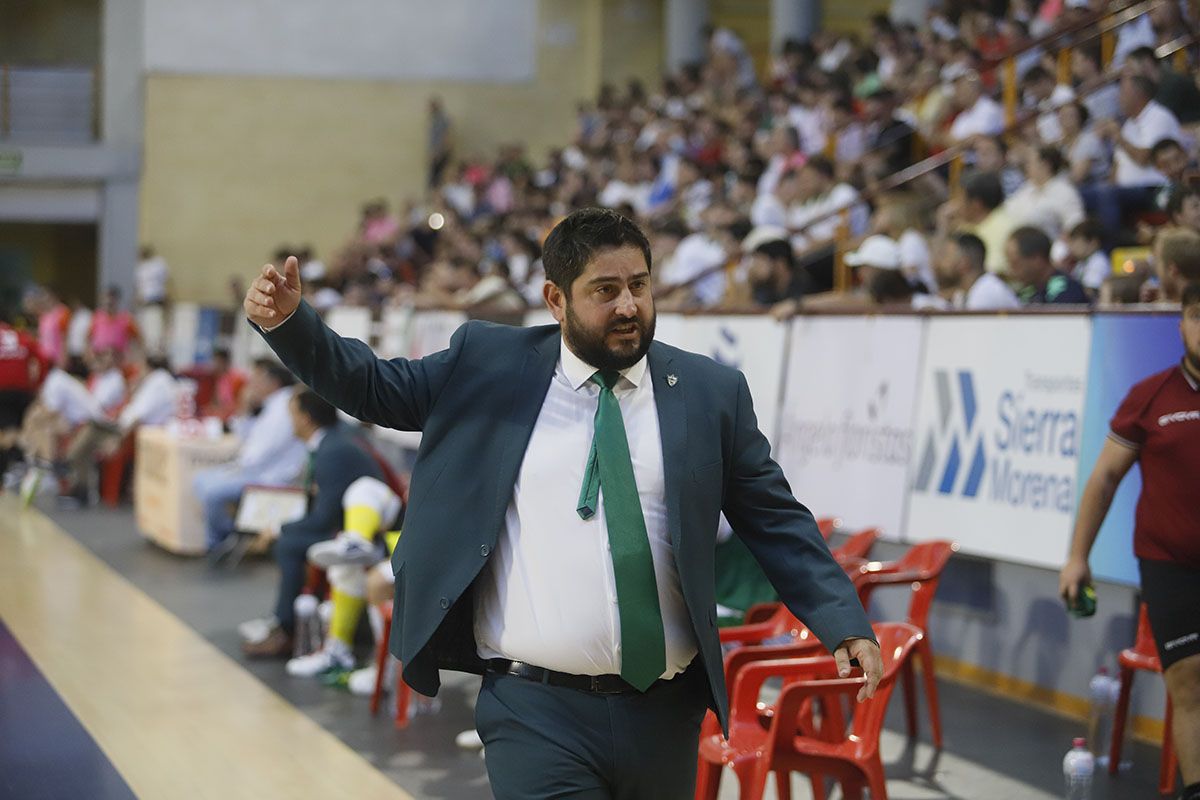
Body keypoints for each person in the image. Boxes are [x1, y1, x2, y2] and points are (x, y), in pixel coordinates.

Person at [244, 207, 881, 798]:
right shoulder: (488, 363)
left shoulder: (709, 391)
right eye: (605, 290)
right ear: (557, 299)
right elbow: (378, 388)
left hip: (666, 709)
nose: (629, 304)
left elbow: (773, 516)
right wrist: (291, 325)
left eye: (639, 284)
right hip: (533, 708)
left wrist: (840, 618)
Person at [1059, 282, 1200, 800]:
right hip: (1170, 564)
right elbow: (1103, 480)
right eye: (1198, 316)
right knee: (1188, 681)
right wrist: (1078, 558)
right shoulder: (1151, 395)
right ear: (1181, 323)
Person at [241, 390, 384, 658]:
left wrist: (277, 530)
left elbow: (323, 520)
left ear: (306, 419)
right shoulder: (333, 440)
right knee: (290, 538)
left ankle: (287, 629)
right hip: (347, 524)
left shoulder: (333, 451)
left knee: (289, 544)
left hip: (364, 535)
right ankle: (286, 620)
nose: (289, 421)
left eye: (291, 415)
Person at [286, 475, 404, 678]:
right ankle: (338, 650)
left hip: (431, 552)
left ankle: (387, 669)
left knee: (364, 486)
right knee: (345, 567)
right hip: (397, 538)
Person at [193, 358, 306, 552]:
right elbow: (246, 436)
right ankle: (228, 534)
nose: (251, 383)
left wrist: (236, 467)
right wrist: (244, 407)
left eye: (256, 378)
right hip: (254, 469)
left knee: (212, 492)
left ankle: (220, 541)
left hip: (270, 477)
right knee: (201, 480)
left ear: (272, 382)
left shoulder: (284, 406)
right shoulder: (271, 405)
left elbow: (263, 449)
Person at [1005, 226, 1091, 305]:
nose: (1010, 271)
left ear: (1037, 260)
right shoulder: (1026, 293)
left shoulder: (1067, 291)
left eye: (1015, 264)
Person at [935, 232, 1021, 311]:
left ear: (963, 264)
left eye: (946, 256)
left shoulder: (986, 293)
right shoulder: (963, 293)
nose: (939, 263)